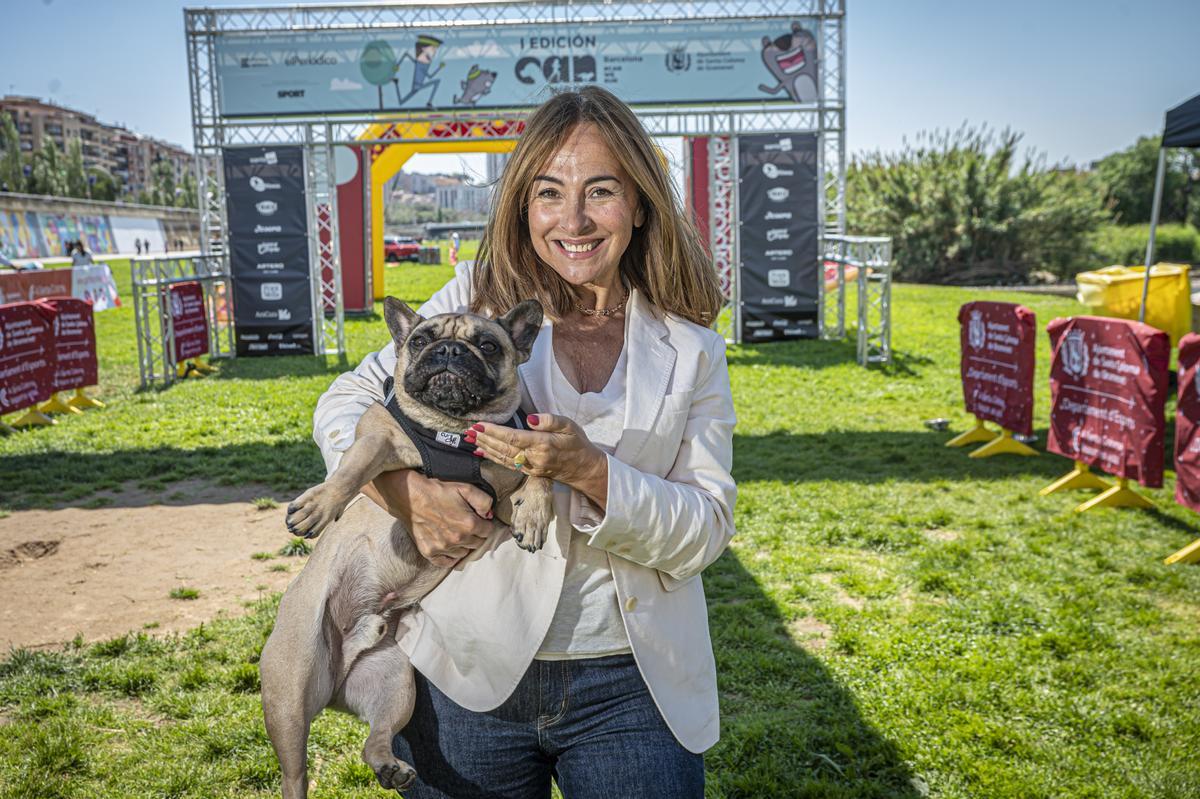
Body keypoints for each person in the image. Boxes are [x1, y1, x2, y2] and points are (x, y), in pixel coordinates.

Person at [313, 86, 735, 798]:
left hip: (633, 686)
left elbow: (706, 528)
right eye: (549, 193)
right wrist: (402, 490)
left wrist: (593, 473)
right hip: (463, 673)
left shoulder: (691, 350)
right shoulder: (471, 302)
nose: (572, 219)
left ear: (639, 204)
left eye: (600, 190)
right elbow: (344, 400)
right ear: (523, 206)